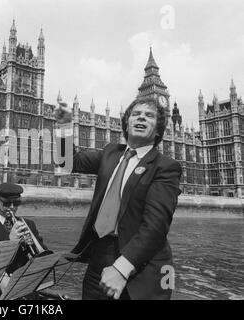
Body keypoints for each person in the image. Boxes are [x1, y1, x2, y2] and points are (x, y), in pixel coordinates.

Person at [54, 96, 182, 300]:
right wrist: (64, 125)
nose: (141, 118)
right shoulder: (110, 154)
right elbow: (67, 162)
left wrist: (122, 268)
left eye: (149, 116)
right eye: (136, 114)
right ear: (126, 124)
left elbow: (156, 226)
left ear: (158, 131)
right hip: (98, 256)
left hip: (138, 266)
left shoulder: (166, 167)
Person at [0, 182, 47, 271]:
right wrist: (10, 242)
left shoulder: (29, 224)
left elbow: (44, 254)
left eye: (16, 203)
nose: (12, 207)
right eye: (6, 203)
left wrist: (32, 245)